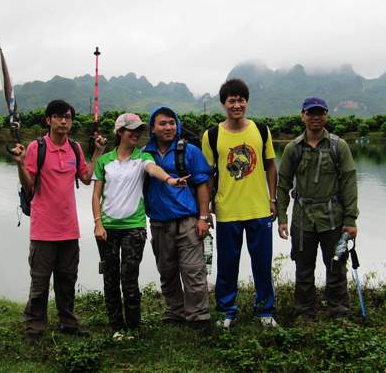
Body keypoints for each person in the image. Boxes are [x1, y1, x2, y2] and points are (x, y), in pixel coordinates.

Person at [11, 99, 107, 343]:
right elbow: (29, 185)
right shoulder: (37, 147)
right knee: (40, 281)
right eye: (58, 116)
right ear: (48, 120)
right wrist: (21, 164)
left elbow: (86, 177)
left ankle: (68, 322)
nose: (64, 121)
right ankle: (34, 327)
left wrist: (97, 152)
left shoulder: (74, 148)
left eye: (68, 117)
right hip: (43, 229)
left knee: (67, 279)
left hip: (69, 228)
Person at [92, 113, 188, 334]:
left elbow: (153, 169)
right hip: (107, 228)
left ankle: (133, 326)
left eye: (139, 130)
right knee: (110, 278)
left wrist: (170, 180)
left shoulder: (143, 157)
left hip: (134, 229)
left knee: (129, 278)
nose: (136, 134)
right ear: (120, 132)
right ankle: (116, 326)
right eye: (131, 130)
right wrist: (98, 224)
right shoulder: (105, 161)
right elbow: (96, 195)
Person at [201, 78, 278, 329]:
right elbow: (207, 175)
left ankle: (265, 310)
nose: (237, 105)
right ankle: (227, 311)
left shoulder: (261, 130)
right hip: (227, 211)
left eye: (241, 100)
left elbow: (270, 165)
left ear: (247, 102)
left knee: (262, 264)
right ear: (223, 104)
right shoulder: (212, 135)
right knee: (227, 265)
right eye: (232, 100)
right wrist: (206, 210)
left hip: (259, 209)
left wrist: (272, 198)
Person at [276, 97, 359, 319]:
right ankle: (305, 312)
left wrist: (350, 219)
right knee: (303, 268)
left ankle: (338, 311)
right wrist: (282, 217)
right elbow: (283, 184)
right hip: (302, 219)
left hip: (333, 218)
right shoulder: (293, 149)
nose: (315, 117)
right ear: (302, 116)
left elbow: (349, 182)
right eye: (310, 113)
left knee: (336, 266)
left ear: (326, 116)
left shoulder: (338, 146)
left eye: (320, 113)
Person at [142, 106, 212, 333]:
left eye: (172, 122)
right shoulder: (144, 154)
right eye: (162, 123)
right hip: (159, 222)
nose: (168, 127)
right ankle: (175, 311)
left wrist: (203, 217)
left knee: (193, 270)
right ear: (153, 128)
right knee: (167, 270)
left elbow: (202, 184)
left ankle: (199, 316)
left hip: (188, 220)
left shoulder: (189, 151)